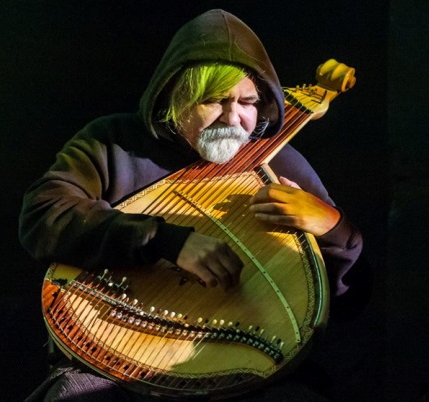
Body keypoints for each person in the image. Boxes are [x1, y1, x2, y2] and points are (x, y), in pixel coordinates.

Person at [19, 9, 363, 402]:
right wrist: (166, 241)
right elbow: (42, 216)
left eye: (248, 102)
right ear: (173, 95)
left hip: (241, 370)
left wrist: (335, 231)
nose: (234, 118)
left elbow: (348, 303)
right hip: (112, 355)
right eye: (214, 100)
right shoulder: (114, 143)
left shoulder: (280, 163)